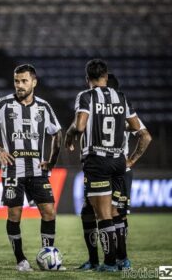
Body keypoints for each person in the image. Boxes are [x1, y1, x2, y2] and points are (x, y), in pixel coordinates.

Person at [0, 64, 62, 272]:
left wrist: (51, 161)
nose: (20, 85)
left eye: (24, 81)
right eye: (16, 81)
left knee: (49, 212)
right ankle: (21, 260)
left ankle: (47, 255)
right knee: (14, 215)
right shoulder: (4, 104)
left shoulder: (43, 107)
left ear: (34, 82)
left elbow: (57, 133)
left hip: (38, 171)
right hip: (13, 170)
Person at [65, 59, 143, 272]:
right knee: (108, 212)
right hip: (119, 161)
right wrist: (131, 159)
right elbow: (142, 133)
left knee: (104, 214)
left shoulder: (86, 96)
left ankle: (110, 262)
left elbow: (80, 126)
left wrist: (70, 134)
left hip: (98, 161)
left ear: (86, 78)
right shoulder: (122, 97)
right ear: (106, 77)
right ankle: (118, 260)